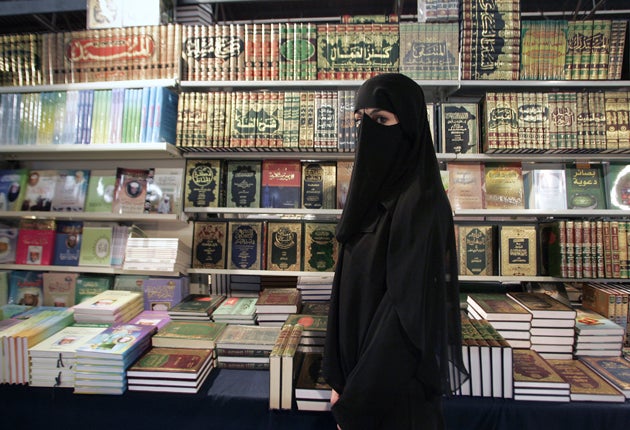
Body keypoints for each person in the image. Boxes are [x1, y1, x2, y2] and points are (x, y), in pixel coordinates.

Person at [322, 73, 468, 430]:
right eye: (361, 120)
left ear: (411, 125)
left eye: (381, 120)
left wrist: (355, 403)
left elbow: (402, 320)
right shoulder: (371, 199)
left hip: (392, 400)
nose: (368, 131)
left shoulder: (420, 202)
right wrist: (341, 380)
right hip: (361, 382)